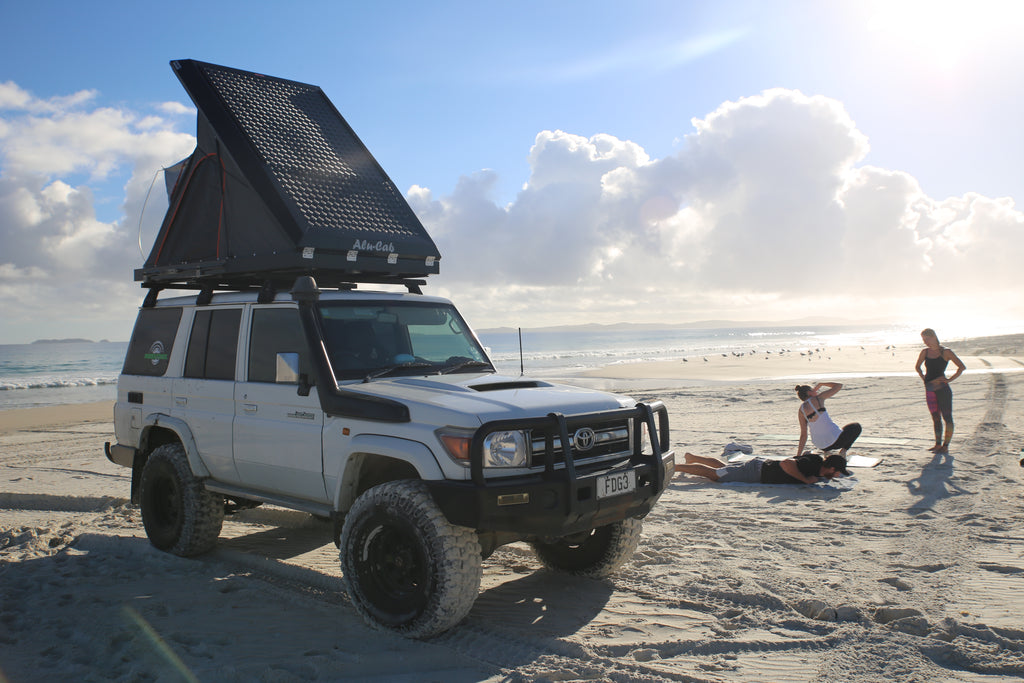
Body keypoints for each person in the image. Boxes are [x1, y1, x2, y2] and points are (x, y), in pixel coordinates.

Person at [914, 328, 966, 454]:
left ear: (934, 337)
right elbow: (917, 367)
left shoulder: (946, 352)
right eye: (923, 339)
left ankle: (946, 445)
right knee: (935, 418)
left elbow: (961, 367)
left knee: (947, 418)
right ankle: (937, 445)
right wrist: (924, 379)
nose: (925, 341)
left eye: (927, 338)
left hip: (943, 389)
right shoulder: (925, 352)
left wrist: (949, 380)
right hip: (930, 389)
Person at [674, 451, 850, 485]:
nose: (836, 476)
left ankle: (692, 458)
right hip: (757, 471)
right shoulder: (812, 466)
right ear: (831, 467)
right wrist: (804, 479)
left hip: (759, 466)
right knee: (715, 475)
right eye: (836, 472)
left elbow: (805, 453)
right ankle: (673, 467)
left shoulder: (817, 464)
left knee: (725, 468)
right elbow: (786, 463)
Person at [796, 382, 862, 457]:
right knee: (856, 426)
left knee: (840, 429)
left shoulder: (801, 410)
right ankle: (843, 451)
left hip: (821, 446)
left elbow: (803, 435)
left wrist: (798, 455)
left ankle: (827, 452)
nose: (817, 391)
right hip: (836, 442)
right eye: (814, 390)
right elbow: (838, 386)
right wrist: (821, 384)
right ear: (809, 393)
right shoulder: (818, 399)